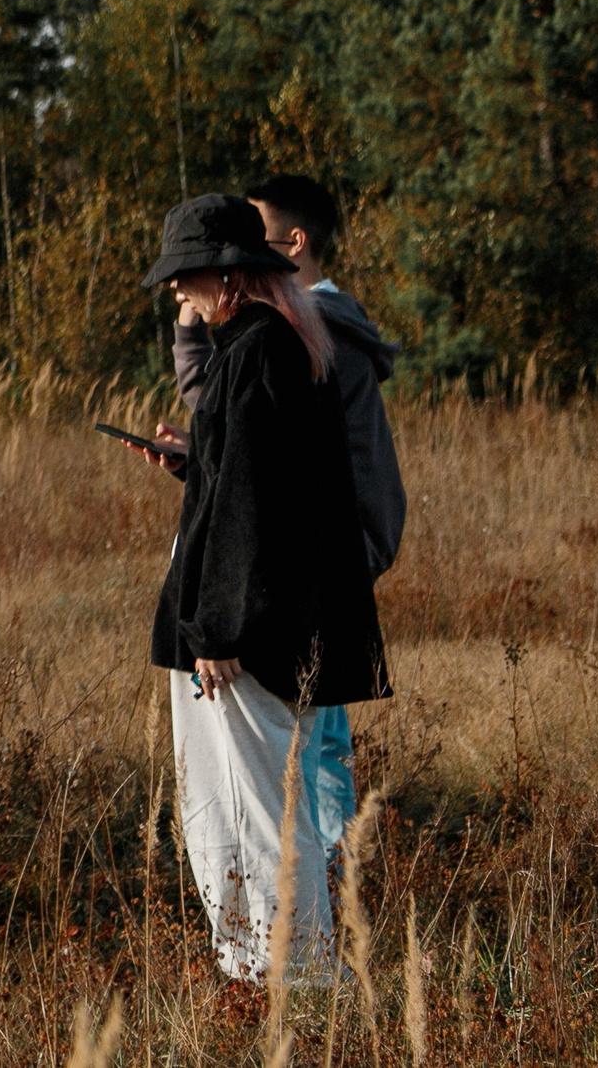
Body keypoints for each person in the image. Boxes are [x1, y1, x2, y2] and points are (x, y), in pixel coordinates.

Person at [135, 195, 389, 983]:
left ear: (229, 274)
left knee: (252, 809)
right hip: (273, 625)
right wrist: (198, 459)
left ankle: (294, 976)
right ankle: (271, 969)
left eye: (186, 278)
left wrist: (217, 629)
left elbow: (254, 507)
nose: (179, 294)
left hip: (251, 638)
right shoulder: (277, 345)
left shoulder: (259, 351)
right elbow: (253, 483)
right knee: (258, 803)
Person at [171, 173, 405, 856]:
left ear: (289, 244)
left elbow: (285, 467)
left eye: (256, 237)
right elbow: (257, 448)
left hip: (326, 548)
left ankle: (329, 867)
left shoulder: (300, 328)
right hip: (320, 544)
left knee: (308, 733)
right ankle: (324, 871)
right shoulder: (295, 325)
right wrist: (201, 458)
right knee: (307, 726)